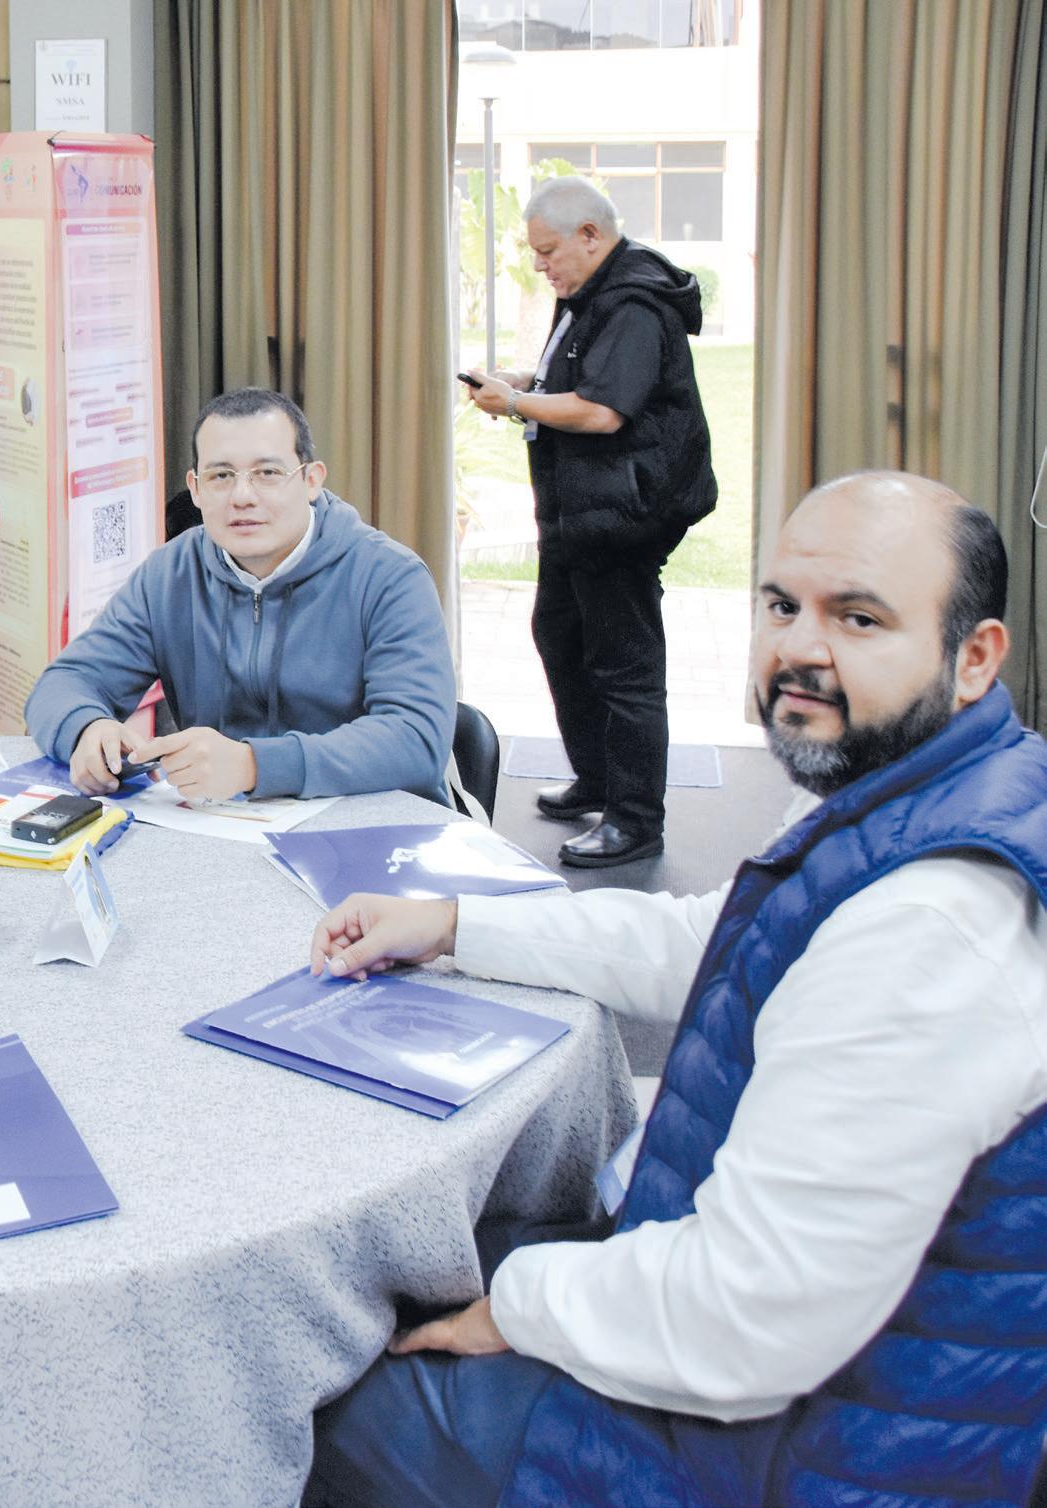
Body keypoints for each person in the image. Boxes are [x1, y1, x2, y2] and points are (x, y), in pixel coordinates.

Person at [302, 473, 1047, 1508]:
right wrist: (454, 924)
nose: (799, 648)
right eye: (781, 604)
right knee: (427, 1259)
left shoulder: (930, 928)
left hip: (786, 1452)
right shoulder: (927, 788)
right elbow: (717, 939)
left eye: (859, 618)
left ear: (975, 657)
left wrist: (511, 1306)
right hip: (802, 1355)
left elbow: (742, 1318)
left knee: (319, 1390)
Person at [24, 388, 456, 804]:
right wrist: (86, 728)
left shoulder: (390, 577)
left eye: (268, 473)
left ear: (311, 480)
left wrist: (253, 765)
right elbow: (62, 684)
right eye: (221, 476)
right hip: (225, 828)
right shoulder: (170, 574)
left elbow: (416, 740)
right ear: (195, 489)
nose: (242, 497)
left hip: (374, 828)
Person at [462, 176, 717, 868]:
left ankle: (635, 820)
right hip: (582, 512)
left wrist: (516, 405)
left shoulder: (634, 303)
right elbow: (579, 377)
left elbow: (602, 411)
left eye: (548, 252)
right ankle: (599, 778)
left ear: (591, 236)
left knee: (623, 665)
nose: (540, 265)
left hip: (624, 515)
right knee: (560, 633)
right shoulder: (593, 292)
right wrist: (526, 382)